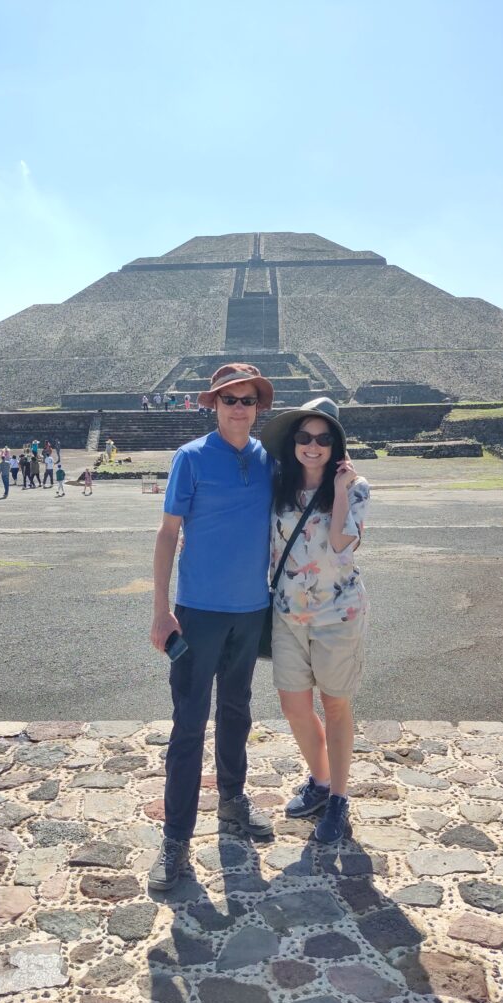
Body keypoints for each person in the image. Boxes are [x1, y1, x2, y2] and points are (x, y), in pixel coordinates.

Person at [148, 363, 276, 890]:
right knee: (188, 723)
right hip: (198, 609)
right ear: (214, 405)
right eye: (229, 401)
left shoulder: (270, 459)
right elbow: (166, 533)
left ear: (258, 406)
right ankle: (176, 838)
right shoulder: (192, 458)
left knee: (237, 711)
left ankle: (232, 802)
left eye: (247, 400)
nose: (239, 409)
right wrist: (162, 608)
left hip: (250, 609)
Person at [259, 398, 370, 844]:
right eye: (304, 437)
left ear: (335, 445)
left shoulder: (357, 487)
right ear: (293, 443)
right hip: (288, 614)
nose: (312, 446)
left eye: (323, 439)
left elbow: (344, 542)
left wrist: (340, 490)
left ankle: (338, 799)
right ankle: (321, 782)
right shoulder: (278, 484)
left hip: (337, 613)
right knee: (294, 707)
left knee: (336, 704)